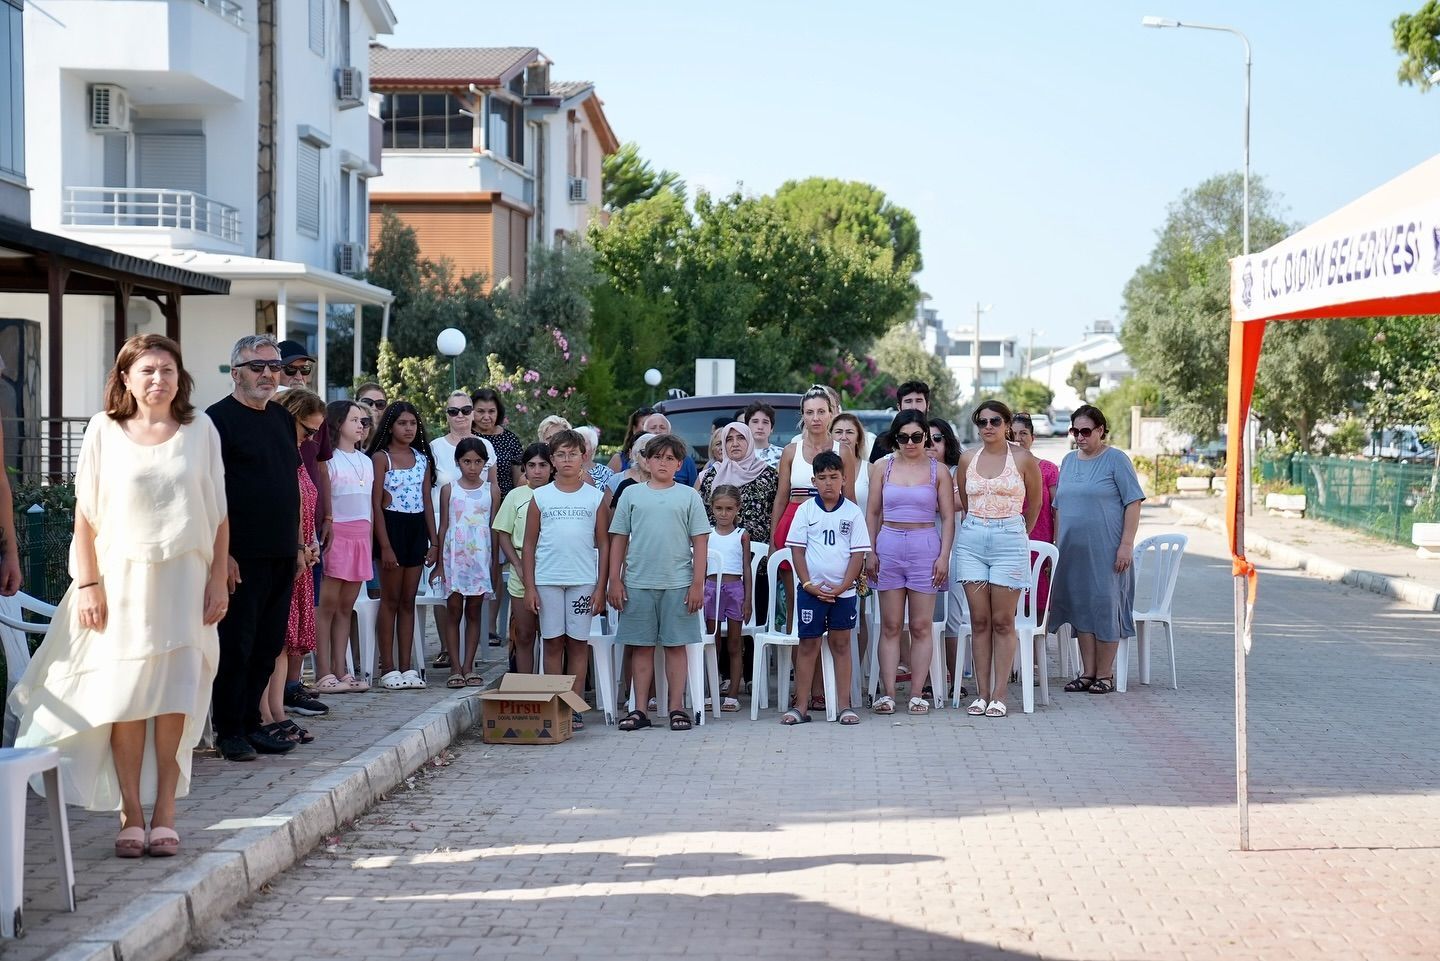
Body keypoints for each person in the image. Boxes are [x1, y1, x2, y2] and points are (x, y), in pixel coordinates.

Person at [9, 334, 227, 856]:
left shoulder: (201, 430)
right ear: (126, 378)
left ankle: (167, 812)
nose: (159, 379)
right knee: (126, 696)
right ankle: (131, 812)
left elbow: (219, 513)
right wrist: (87, 583)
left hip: (184, 582)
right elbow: (85, 515)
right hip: (120, 584)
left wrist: (219, 577)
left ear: (181, 377)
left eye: (168, 370)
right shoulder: (104, 430)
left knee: (176, 695)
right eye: (148, 370)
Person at [206, 335, 302, 762]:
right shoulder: (214, 421)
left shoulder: (281, 419)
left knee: (267, 646)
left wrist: (299, 545)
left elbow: (292, 486)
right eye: (258, 366)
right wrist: (220, 555)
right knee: (237, 646)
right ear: (235, 372)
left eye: (274, 367)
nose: (268, 374)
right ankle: (229, 730)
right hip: (239, 558)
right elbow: (208, 494)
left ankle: (251, 723)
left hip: (282, 552)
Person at [608, 433, 710, 732]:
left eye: (670, 458)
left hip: (678, 583)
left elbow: (700, 542)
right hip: (638, 582)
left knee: (675, 647)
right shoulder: (631, 494)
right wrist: (615, 579)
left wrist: (697, 584)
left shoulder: (689, 496)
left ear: (680, 464)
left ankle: (677, 707)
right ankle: (639, 708)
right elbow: (618, 539)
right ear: (646, 461)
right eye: (657, 457)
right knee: (640, 647)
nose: (663, 463)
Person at [1049, 404, 1145, 696]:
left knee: (1104, 606)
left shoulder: (1116, 459)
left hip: (1107, 549)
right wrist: (1055, 545)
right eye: (1075, 431)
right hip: (1072, 550)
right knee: (1081, 608)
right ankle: (1087, 672)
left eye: (1086, 431)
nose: (1080, 436)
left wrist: (1126, 545)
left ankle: (1105, 673)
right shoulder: (1067, 461)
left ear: (1101, 430)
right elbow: (1059, 508)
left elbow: (1133, 502)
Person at [955, 400, 1043, 719]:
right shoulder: (967, 458)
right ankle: (981, 693)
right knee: (979, 621)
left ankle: (1000, 694)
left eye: (995, 421)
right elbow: (965, 501)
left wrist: (1018, 532)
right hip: (972, 539)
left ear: (1007, 424)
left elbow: (1035, 502)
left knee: (1003, 621)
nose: (988, 427)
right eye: (982, 422)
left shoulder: (1022, 458)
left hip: (1009, 538)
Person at [864, 409, 953, 715]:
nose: (910, 442)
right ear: (895, 438)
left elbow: (948, 517)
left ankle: (917, 692)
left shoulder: (937, 470)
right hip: (888, 544)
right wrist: (870, 550)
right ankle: (888, 693)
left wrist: (944, 555)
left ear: (925, 436)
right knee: (889, 625)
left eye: (917, 436)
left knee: (920, 625)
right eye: (903, 437)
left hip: (924, 546)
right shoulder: (882, 467)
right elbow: (873, 512)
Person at [523, 430, 608, 729]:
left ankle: (574, 707)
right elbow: (529, 544)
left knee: (577, 644)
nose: (567, 459)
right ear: (552, 460)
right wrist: (530, 587)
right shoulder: (540, 496)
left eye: (573, 453)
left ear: (583, 456)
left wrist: (601, 586)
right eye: (560, 454)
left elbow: (604, 544)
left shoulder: (595, 497)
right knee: (552, 642)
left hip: (583, 581)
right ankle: (555, 704)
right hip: (547, 580)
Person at [783, 452, 870, 727]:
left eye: (834, 477)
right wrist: (808, 584)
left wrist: (843, 586)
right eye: (822, 478)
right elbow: (797, 551)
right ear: (813, 480)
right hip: (812, 591)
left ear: (844, 479)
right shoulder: (805, 510)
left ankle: (844, 705)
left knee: (841, 644)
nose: (828, 483)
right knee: (808, 645)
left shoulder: (853, 513)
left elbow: (857, 556)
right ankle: (801, 706)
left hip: (842, 592)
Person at [266, 389, 325, 743]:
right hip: (284, 556)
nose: (312, 438)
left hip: (301, 555)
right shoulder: (278, 455)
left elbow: (304, 505)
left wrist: (311, 542)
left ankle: (278, 709)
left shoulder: (298, 456)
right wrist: (299, 546)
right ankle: (267, 712)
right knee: (275, 640)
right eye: (308, 429)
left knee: (288, 643)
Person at [771, 387, 855, 632]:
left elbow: (849, 498)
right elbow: (780, 497)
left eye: (821, 411)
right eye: (810, 412)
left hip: (832, 527)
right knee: (795, 600)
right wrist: (772, 538)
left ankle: (824, 667)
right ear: (803, 416)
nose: (816, 418)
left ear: (831, 414)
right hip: (793, 521)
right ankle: (797, 667)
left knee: (830, 599)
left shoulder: (843, 451)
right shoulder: (791, 451)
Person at [368, 400, 438, 690]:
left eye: (412, 423)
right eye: (402, 423)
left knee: (409, 601)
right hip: (391, 528)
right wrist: (384, 545)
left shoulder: (422, 458)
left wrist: (435, 542)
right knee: (391, 600)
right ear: (390, 426)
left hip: (416, 528)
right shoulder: (381, 458)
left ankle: (408, 667)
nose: (408, 428)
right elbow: (375, 504)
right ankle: (388, 667)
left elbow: (427, 503)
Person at [430, 390, 497, 671]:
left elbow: (494, 528)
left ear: (485, 463)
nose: (472, 466)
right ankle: (455, 665)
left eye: (478, 462)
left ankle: (469, 665)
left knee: (474, 612)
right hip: (454, 557)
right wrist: (440, 564)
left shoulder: (492, 490)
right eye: (467, 461)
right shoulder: (449, 489)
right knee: (453, 611)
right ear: (458, 462)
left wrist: (494, 564)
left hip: (480, 559)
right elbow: (444, 526)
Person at [314, 400, 372, 693]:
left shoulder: (367, 461)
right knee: (326, 607)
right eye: (354, 420)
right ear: (337, 423)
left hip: (362, 535)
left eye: (363, 421)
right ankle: (322, 672)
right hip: (337, 535)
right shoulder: (328, 459)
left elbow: (370, 506)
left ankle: (342, 671)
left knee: (345, 609)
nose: (361, 425)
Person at [493, 444, 554, 673]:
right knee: (525, 634)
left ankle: (552, 691)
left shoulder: (558, 493)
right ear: (524, 469)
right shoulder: (516, 496)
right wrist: (516, 564)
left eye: (543, 465)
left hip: (552, 570)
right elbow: (502, 532)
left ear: (552, 467)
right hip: (521, 572)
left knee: (553, 637)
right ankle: (525, 689)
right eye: (531, 465)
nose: (537, 471)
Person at [471, 387, 523, 645]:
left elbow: (516, 480)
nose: (485, 416)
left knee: (495, 564)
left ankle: (490, 627)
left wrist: (514, 509)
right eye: (480, 411)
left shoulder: (509, 440)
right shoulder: (465, 439)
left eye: (491, 411)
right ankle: (469, 627)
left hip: (502, 507)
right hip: (468, 510)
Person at [704, 485, 751, 713]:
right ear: (712, 508)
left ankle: (732, 695)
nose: (724, 513)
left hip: (735, 590)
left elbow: (747, 569)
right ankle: (713, 691)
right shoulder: (706, 534)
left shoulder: (742, 535)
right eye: (719, 508)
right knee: (713, 643)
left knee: (734, 644)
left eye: (729, 508)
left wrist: (748, 599)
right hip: (711, 590)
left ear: (737, 509)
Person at [697, 422, 780, 548]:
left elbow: (777, 512)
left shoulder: (768, 475)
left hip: (758, 552)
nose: (735, 444)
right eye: (729, 439)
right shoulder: (710, 476)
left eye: (741, 438)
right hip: (717, 550)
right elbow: (700, 516)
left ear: (749, 441)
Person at [1011, 412, 1059, 610]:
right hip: (1009, 547)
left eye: (1023, 433)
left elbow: (1058, 510)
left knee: (1039, 609)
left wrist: (1056, 545)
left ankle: (1040, 642)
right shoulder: (998, 471)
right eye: (1012, 434)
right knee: (1009, 610)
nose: (1017, 438)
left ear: (1033, 437)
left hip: (1041, 547)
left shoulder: (1048, 469)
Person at [869, 380, 932, 462]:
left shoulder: (938, 438)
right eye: (908, 401)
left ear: (928, 405)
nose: (913, 406)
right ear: (899, 407)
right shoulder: (883, 441)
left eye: (918, 401)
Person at [606, 405, 656, 474]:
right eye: (645, 424)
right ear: (634, 429)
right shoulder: (619, 459)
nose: (651, 428)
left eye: (654, 425)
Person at [744, 401, 786, 468]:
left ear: (771, 428)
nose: (760, 427)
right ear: (747, 426)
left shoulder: (784, 455)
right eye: (755, 422)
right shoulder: (738, 454)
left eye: (765, 422)